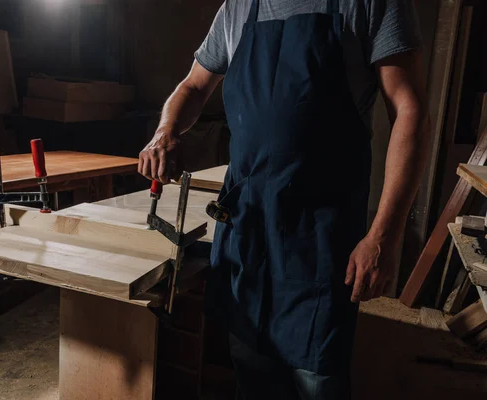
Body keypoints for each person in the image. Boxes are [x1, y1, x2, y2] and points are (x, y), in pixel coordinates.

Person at [138, 0, 431, 398]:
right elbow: (192, 85)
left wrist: (384, 236)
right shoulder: (238, 8)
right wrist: (166, 129)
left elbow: (409, 111)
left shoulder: (369, 4)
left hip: (319, 242)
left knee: (317, 381)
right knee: (251, 371)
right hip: (246, 233)